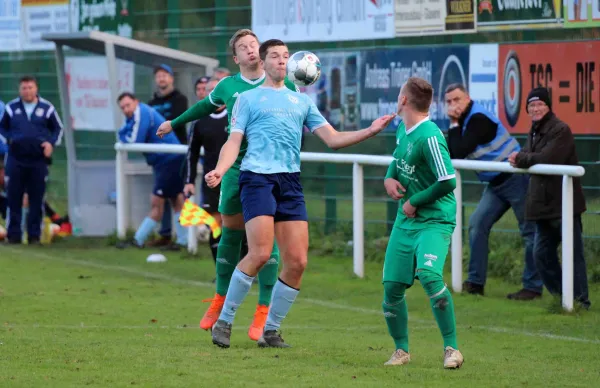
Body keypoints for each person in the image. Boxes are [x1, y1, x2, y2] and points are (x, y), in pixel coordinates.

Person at [203, 39, 395, 349]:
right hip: (257, 180)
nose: (281, 61)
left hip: (289, 182)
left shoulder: (302, 101)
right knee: (261, 254)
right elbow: (233, 142)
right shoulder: (249, 99)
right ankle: (224, 321)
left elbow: (332, 139)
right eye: (275, 56)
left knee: (298, 262)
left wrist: (370, 130)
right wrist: (221, 169)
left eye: (285, 56)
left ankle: (270, 330)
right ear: (263, 63)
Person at [156, 29, 299, 341]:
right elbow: (204, 108)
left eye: (253, 45)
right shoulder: (228, 86)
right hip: (236, 170)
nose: (250, 50)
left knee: (268, 239)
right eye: (243, 47)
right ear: (236, 58)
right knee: (229, 233)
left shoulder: (283, 83)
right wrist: (175, 122)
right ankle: (220, 302)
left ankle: (262, 313)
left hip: (269, 171)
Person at [382, 77, 463, 369]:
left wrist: (414, 201)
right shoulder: (403, 128)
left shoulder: (429, 136)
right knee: (391, 287)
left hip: (434, 220)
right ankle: (401, 351)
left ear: (404, 100)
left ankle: (452, 348)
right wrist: (389, 177)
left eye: (399, 93)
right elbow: (397, 160)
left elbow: (447, 181)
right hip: (407, 221)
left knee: (429, 275)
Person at [445, 84, 542, 300]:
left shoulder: (479, 118)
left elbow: (459, 152)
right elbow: (452, 151)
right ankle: (475, 283)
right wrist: (454, 125)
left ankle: (533, 287)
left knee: (530, 233)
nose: (453, 105)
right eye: (449, 102)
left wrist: (452, 123)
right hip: (496, 184)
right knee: (477, 225)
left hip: (517, 178)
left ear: (468, 98)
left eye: (457, 99)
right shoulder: (463, 122)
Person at [509, 87, 590, 310]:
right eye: (531, 106)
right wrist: (524, 157)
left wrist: (522, 157)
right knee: (541, 254)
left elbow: (546, 159)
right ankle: (563, 297)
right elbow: (531, 157)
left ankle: (581, 300)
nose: (535, 109)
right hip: (543, 206)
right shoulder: (534, 129)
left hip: (564, 204)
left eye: (539, 104)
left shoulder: (561, 129)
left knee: (574, 256)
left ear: (548, 106)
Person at [115, 92, 188, 250]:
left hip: (169, 159)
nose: (126, 109)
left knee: (158, 201)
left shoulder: (142, 112)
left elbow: (134, 139)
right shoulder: (135, 116)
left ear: (136, 101)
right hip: (167, 160)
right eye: (123, 107)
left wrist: (122, 137)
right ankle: (183, 241)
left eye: (128, 105)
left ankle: (138, 240)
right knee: (177, 200)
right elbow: (122, 132)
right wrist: (122, 136)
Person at [0, 76, 63, 244]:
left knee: (36, 198)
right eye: (24, 88)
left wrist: (50, 143)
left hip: (37, 161)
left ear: (36, 89)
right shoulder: (11, 108)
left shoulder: (47, 108)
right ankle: (14, 235)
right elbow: (2, 127)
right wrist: (10, 141)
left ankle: (34, 235)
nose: (27, 91)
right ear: (19, 90)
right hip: (16, 159)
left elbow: (58, 128)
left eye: (30, 87)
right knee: (13, 197)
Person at [185, 77, 229, 267]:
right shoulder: (200, 121)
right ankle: (221, 272)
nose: (215, 93)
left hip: (238, 178)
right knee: (216, 225)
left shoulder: (237, 114)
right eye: (211, 90)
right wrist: (189, 180)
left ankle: (245, 271)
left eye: (218, 89)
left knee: (241, 225)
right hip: (213, 180)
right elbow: (191, 153)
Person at [148, 64, 189, 249]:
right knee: (162, 195)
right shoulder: (151, 103)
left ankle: (183, 238)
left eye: (165, 75)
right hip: (159, 157)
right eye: (158, 76)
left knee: (178, 196)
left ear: (171, 78)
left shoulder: (180, 99)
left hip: (176, 155)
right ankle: (165, 234)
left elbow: (177, 120)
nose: (161, 79)